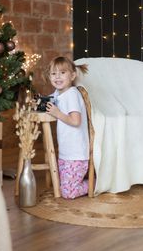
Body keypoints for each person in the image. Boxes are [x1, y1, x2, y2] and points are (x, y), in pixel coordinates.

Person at [45, 56, 89, 199]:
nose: (57, 77)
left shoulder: (72, 95)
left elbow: (76, 121)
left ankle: (95, 183)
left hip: (76, 153)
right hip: (66, 152)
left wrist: (57, 113)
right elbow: (49, 100)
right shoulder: (59, 94)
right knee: (63, 186)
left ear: (72, 75)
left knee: (68, 193)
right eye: (53, 73)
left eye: (62, 73)